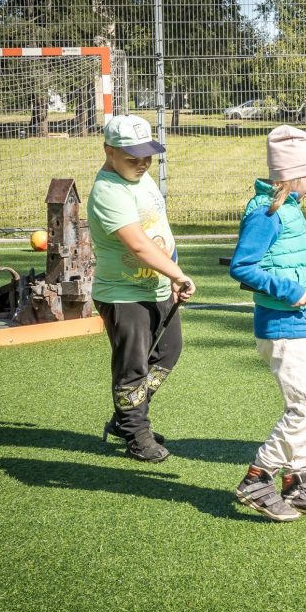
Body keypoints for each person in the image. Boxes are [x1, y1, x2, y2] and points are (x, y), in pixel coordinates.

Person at [227, 125, 306, 522]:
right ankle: (257, 478)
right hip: (279, 323)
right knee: (304, 407)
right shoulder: (267, 212)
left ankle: (297, 484)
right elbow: (243, 266)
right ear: (292, 174)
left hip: (298, 323)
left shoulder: (291, 207)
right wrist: (289, 291)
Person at [87, 114, 196, 463]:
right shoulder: (108, 191)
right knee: (132, 367)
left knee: (168, 353)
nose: (143, 163)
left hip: (157, 286)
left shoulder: (140, 177)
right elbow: (137, 245)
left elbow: (160, 230)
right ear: (109, 151)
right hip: (124, 295)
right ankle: (135, 432)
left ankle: (126, 416)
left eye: (147, 155)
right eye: (133, 157)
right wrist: (178, 274)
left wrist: (172, 276)